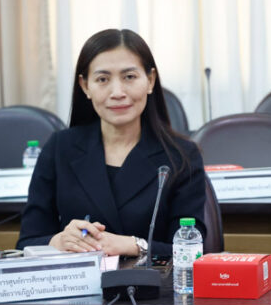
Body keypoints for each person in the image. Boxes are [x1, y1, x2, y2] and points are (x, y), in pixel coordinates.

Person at [17, 29, 206, 257]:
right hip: (76, 286)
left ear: (150, 80)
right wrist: (59, 241)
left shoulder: (181, 155)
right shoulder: (60, 148)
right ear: (85, 86)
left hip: (153, 289)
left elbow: (192, 248)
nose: (117, 92)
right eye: (102, 79)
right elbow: (27, 242)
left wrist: (133, 245)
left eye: (129, 77)